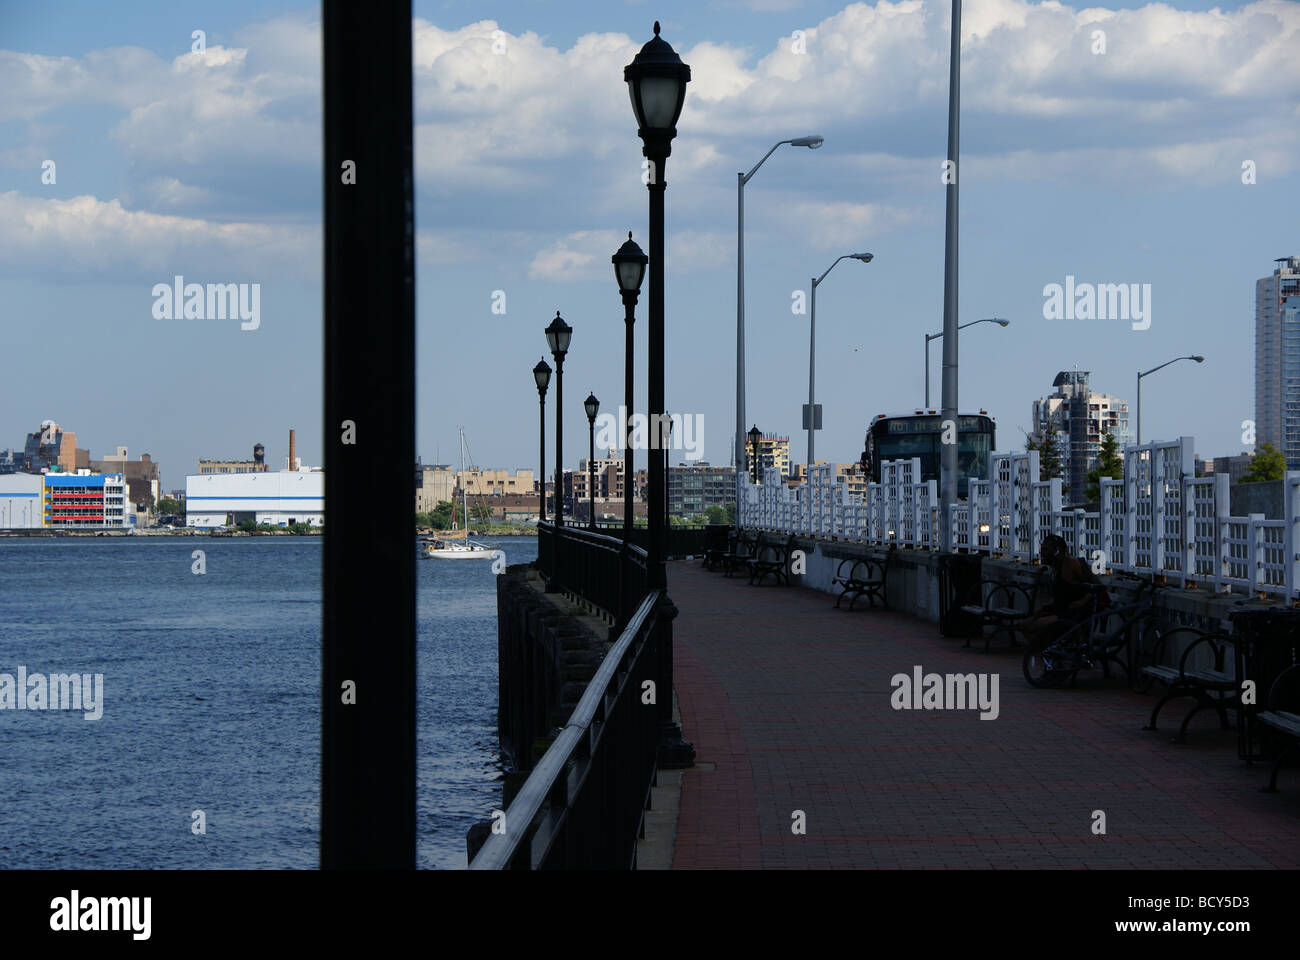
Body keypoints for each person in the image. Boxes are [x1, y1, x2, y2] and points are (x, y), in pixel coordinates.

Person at [1022, 534, 1109, 652]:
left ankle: (1051, 655)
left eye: (1045, 550)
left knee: (1040, 625)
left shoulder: (1072, 564)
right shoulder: (1054, 567)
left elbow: (1097, 587)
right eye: (1041, 550)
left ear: (1057, 551)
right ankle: (1049, 653)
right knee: (1024, 625)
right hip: (1061, 610)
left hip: (1075, 614)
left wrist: (1082, 602)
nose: (1042, 553)